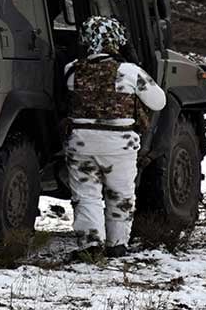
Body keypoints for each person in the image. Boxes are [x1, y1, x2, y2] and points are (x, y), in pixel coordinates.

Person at [63, 15, 166, 259]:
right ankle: (117, 244)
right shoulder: (129, 72)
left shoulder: (72, 70)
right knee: (120, 194)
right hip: (120, 143)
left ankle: (90, 245)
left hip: (81, 142)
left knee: (86, 195)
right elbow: (158, 101)